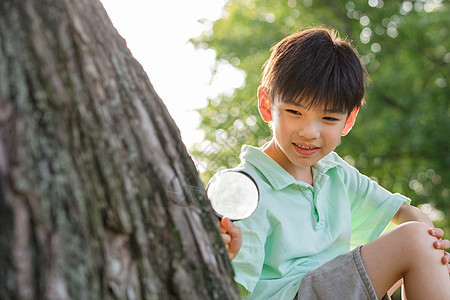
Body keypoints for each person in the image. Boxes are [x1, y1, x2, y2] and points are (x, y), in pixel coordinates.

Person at [217, 27, 450, 299]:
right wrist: (418, 244)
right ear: (267, 105)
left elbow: (404, 213)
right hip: (291, 294)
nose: (309, 132)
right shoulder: (246, 189)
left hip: (331, 287)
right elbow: (234, 287)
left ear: (348, 121)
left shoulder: (333, 171)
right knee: (414, 241)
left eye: (328, 118)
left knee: (418, 238)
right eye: (294, 112)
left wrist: (431, 249)